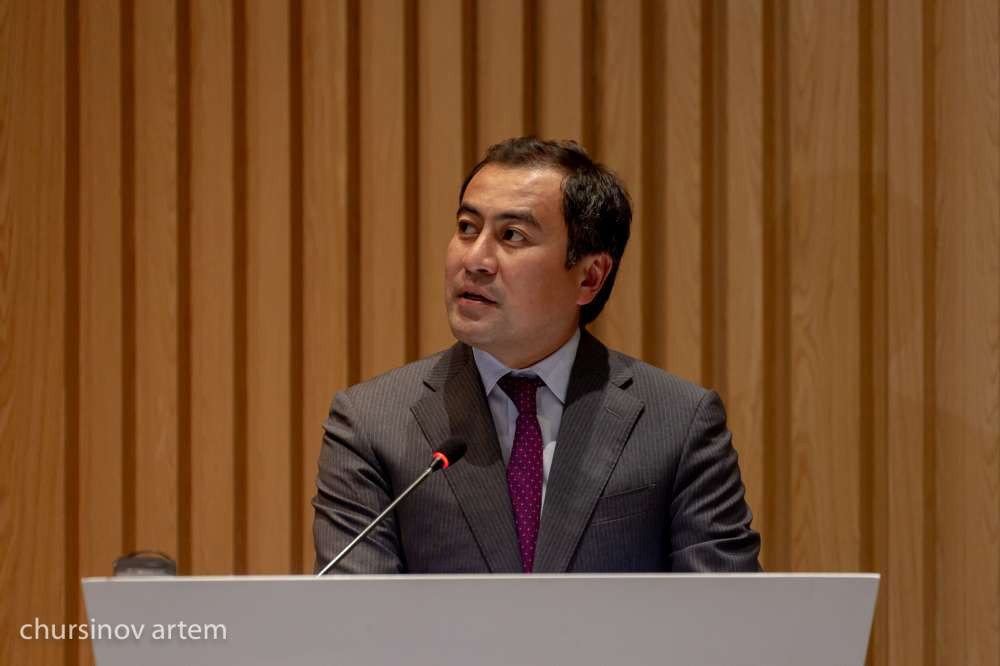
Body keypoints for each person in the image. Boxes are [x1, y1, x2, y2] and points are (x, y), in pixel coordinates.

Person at [313, 137, 760, 573]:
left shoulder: (678, 424)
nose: (475, 259)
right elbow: (356, 615)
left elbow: (725, 613)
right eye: (467, 228)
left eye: (512, 235)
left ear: (589, 277)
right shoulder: (372, 425)